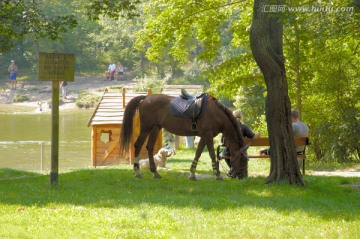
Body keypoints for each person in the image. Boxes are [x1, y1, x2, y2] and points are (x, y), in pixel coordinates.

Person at [222, 110, 260, 177]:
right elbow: (254, 137)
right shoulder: (244, 127)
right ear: (241, 117)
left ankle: (233, 170)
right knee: (241, 153)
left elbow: (222, 140)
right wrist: (258, 133)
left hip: (228, 152)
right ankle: (235, 170)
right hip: (240, 152)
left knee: (224, 153)